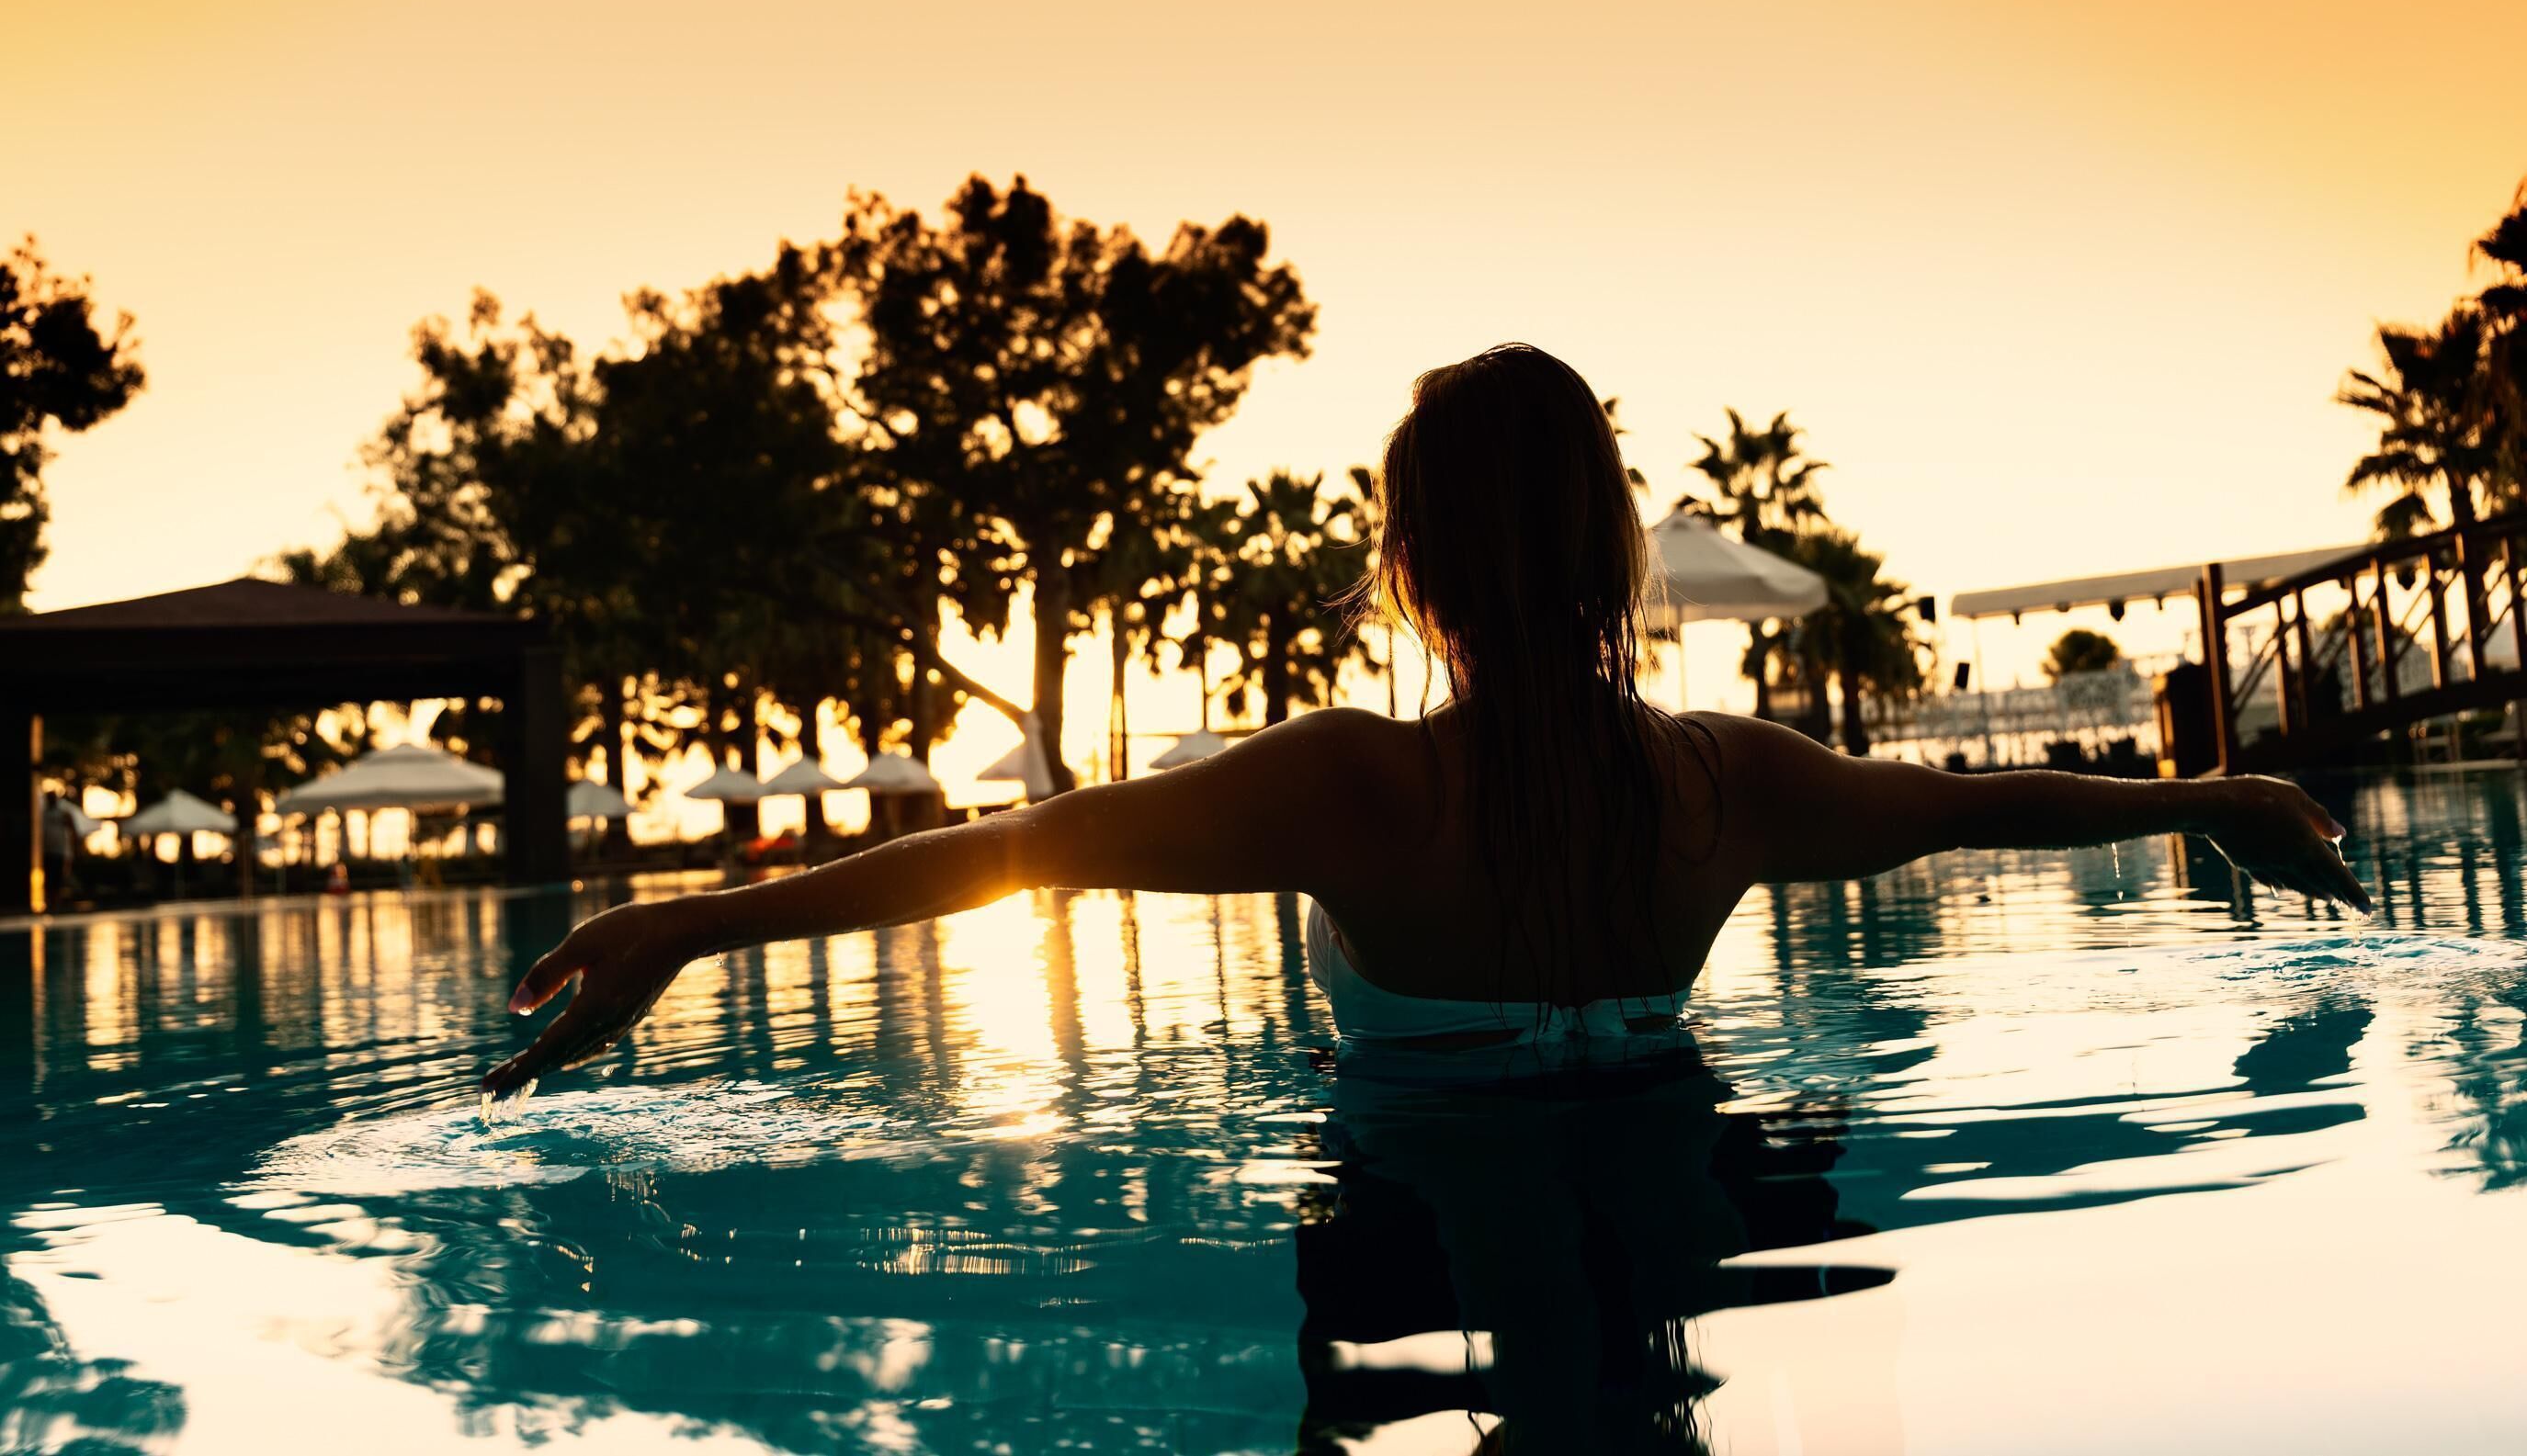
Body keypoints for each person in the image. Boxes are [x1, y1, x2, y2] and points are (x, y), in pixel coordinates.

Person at [483, 344, 2369, 1100]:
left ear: (1406, 566)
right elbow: (1978, 809)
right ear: (1620, 544)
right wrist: (2211, 793)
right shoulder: (1728, 785)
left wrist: (693, 923)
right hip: (1700, 1176)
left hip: (1405, 1219)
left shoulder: (1351, 787)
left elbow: (1014, 852)